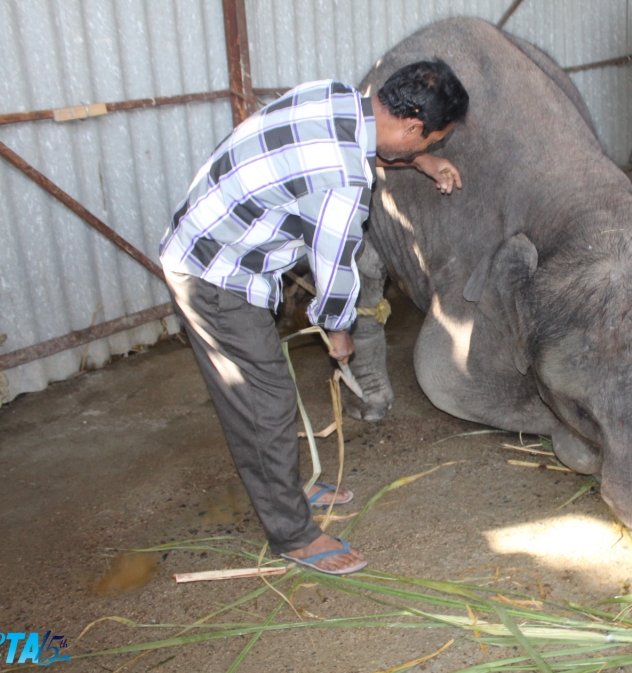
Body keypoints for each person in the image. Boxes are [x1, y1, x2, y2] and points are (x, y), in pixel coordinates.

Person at [159, 60, 469, 575]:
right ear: (412, 126)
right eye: (426, 142)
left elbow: (369, 147)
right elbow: (334, 267)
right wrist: (340, 330)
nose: (422, 150)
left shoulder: (336, 97)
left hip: (213, 240)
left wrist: (420, 162)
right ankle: (293, 534)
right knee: (265, 401)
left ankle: (294, 488)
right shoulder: (344, 179)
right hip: (214, 275)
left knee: (267, 394)